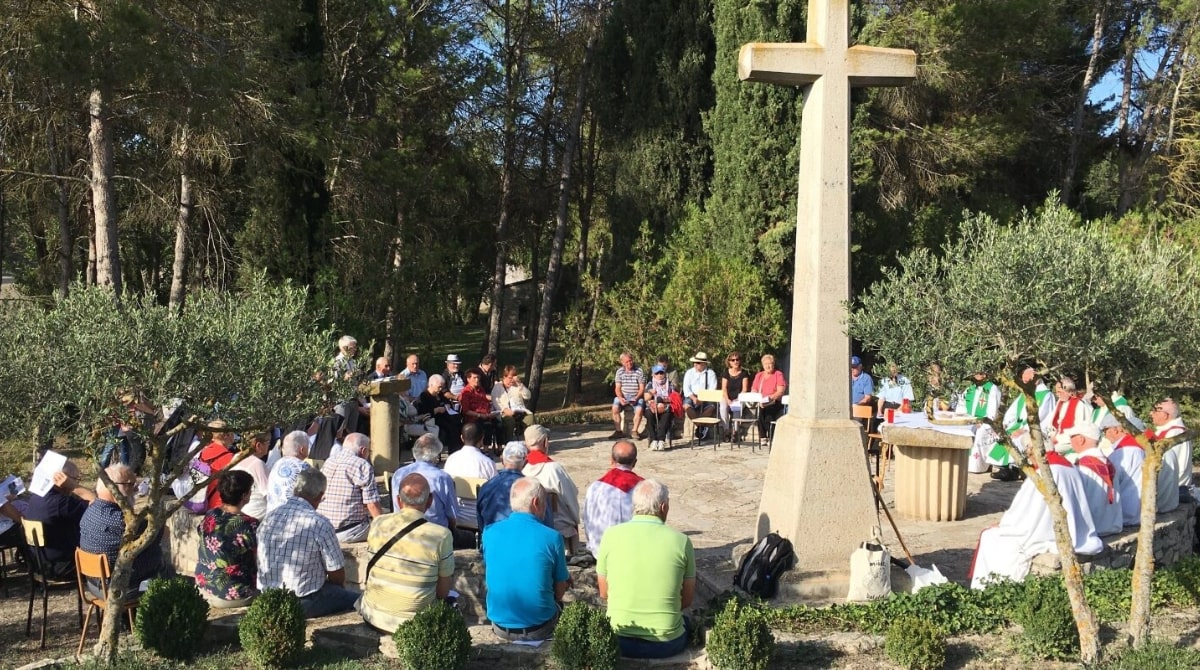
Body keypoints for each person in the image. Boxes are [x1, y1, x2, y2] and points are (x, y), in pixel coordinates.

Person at [969, 439, 1103, 589]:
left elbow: (1024, 509)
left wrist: (1004, 525)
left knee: (991, 537)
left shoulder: (1043, 473)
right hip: (1075, 529)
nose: (1029, 458)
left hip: (1046, 531)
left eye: (1029, 453)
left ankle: (991, 588)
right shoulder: (1070, 467)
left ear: (1035, 452)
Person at [597, 479, 695, 659]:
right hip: (665, 642)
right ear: (663, 507)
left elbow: (604, 593)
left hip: (618, 638)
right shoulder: (682, 541)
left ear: (634, 507)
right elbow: (687, 600)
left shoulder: (610, 536)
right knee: (687, 622)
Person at [358, 473, 456, 632]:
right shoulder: (441, 535)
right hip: (414, 623)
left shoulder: (378, 523)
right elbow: (443, 592)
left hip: (373, 616)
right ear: (430, 501)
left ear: (398, 500)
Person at [257, 469, 357, 617]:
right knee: (360, 601)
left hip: (268, 596)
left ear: (296, 490)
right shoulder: (319, 523)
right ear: (320, 496)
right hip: (304, 600)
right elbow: (336, 573)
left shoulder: (269, 517)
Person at [482, 478, 569, 642]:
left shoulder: (490, 532)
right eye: (545, 503)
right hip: (539, 627)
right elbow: (559, 591)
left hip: (499, 625)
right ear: (536, 503)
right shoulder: (552, 537)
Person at [80, 463, 169, 590]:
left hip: (94, 583)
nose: (136, 489)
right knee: (172, 574)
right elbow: (163, 532)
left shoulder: (90, 509)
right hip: (122, 586)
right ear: (113, 487)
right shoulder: (123, 522)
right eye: (131, 484)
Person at [195, 471, 259, 608]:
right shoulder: (249, 525)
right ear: (244, 495)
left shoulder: (211, 514)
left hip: (204, 586)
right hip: (232, 594)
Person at [23, 460, 95, 579]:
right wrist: (75, 487)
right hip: (63, 566)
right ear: (64, 479)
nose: (76, 482)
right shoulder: (61, 502)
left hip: (40, 563)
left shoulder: (36, 497)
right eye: (75, 479)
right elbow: (99, 506)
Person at [989, 365, 1055, 481]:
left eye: (1027, 379)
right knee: (1000, 434)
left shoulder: (1046, 395)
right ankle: (1004, 467)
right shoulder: (1025, 393)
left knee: (1017, 439)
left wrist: (1024, 429)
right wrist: (1004, 424)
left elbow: (1042, 416)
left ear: (1035, 378)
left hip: (1033, 429)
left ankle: (1014, 470)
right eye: (1024, 380)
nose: (1024, 382)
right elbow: (1012, 412)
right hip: (1017, 426)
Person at [522, 425, 581, 553]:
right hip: (558, 529)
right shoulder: (554, 469)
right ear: (545, 442)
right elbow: (570, 498)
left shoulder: (522, 470)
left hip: (532, 527)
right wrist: (576, 519)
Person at [317, 433, 383, 542]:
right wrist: (384, 528)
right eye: (369, 451)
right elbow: (372, 504)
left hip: (324, 528)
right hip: (349, 531)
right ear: (363, 450)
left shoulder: (329, 461)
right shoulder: (362, 465)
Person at [583, 441, 643, 557]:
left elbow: (586, 519)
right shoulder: (643, 489)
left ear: (611, 460)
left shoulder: (594, 487)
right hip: (629, 554)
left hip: (599, 551)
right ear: (635, 462)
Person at [1067, 422, 1124, 535]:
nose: (1070, 441)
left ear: (1081, 439)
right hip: (1112, 525)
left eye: (1072, 437)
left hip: (1093, 528)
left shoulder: (1082, 466)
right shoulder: (1109, 463)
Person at [392, 434, 457, 530]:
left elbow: (396, 508)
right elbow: (452, 516)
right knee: (469, 537)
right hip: (435, 532)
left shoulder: (398, 474)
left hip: (402, 527)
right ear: (435, 454)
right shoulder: (442, 478)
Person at [443, 423, 498, 529]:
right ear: (482, 439)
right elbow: (494, 494)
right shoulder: (488, 463)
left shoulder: (451, 460)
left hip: (455, 517)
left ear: (461, 438)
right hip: (480, 519)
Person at [477, 442, 529, 529]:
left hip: (492, 539)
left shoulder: (486, 486)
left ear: (502, 460)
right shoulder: (532, 489)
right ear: (526, 463)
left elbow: (481, 522)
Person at [960, 371, 1002, 474]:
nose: (978, 374)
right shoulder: (969, 389)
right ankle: (961, 462)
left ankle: (977, 466)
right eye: (976, 372)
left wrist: (981, 421)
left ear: (986, 374)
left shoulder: (992, 389)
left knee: (980, 431)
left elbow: (993, 412)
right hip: (969, 421)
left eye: (981, 372)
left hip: (986, 423)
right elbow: (961, 407)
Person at [1150, 397, 1192, 494]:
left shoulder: (1174, 434)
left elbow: (1169, 465)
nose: (1151, 414)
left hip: (1175, 489)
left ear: (1165, 415)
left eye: (1155, 411)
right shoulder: (1171, 431)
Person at [194, 420, 238, 511]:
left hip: (204, 501)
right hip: (221, 505)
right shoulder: (230, 458)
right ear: (226, 435)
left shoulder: (202, 452)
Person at [265, 430, 312, 514]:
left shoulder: (276, 464)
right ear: (302, 449)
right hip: (294, 519)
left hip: (272, 517)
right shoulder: (303, 467)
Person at [417, 374, 462, 451]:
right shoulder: (424, 396)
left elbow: (446, 402)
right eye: (439, 387)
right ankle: (453, 450)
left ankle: (458, 448)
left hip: (444, 416)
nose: (440, 389)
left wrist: (447, 405)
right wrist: (436, 410)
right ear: (431, 385)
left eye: (441, 387)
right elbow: (424, 411)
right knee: (450, 427)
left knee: (458, 422)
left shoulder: (439, 394)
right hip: (433, 419)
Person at [231, 431, 271, 519]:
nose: (269, 446)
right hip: (254, 515)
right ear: (258, 445)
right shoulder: (258, 464)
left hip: (237, 510)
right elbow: (268, 494)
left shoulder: (236, 457)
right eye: (268, 442)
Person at [459, 367, 500, 450]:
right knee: (487, 425)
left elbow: (485, 400)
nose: (477, 380)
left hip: (486, 414)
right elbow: (466, 411)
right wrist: (480, 415)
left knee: (499, 424)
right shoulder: (465, 393)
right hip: (474, 418)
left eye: (478, 377)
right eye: (474, 378)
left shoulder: (480, 389)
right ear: (468, 379)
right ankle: (485, 448)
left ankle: (499, 447)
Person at [751, 355, 787, 446]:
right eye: (766, 364)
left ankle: (772, 437)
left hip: (774, 401)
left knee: (768, 414)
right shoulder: (759, 375)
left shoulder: (778, 374)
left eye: (770, 364)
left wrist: (770, 398)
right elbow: (754, 389)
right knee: (760, 411)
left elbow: (780, 391)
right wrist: (757, 398)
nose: (768, 366)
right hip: (761, 401)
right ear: (763, 365)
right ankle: (763, 437)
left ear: (773, 364)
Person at [682, 352, 719, 438]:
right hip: (692, 396)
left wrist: (702, 398)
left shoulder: (710, 373)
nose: (695, 364)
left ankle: (699, 426)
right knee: (687, 406)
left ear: (704, 363)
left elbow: (712, 389)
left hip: (706, 396)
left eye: (698, 362)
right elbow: (686, 389)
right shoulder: (689, 373)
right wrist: (694, 398)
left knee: (711, 407)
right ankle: (700, 426)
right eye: (695, 362)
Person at [610, 352, 646, 439]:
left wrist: (636, 398)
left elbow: (642, 388)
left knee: (640, 408)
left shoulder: (639, 371)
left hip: (636, 396)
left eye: (630, 361)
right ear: (622, 362)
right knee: (615, 407)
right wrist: (620, 398)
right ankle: (618, 431)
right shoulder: (619, 372)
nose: (629, 363)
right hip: (624, 396)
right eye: (626, 362)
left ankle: (634, 430)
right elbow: (617, 388)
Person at [493, 365, 532, 444]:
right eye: (510, 378)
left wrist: (520, 384)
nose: (512, 380)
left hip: (519, 411)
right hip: (504, 412)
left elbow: (528, 396)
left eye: (514, 378)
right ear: (504, 377)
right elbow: (495, 401)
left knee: (530, 418)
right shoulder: (498, 386)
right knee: (509, 421)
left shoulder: (517, 386)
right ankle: (509, 443)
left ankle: (531, 442)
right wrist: (504, 410)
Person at [1048, 376, 1088, 450]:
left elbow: (1078, 429)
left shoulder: (1080, 404)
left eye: (1059, 392)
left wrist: (1058, 439)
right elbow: (1053, 425)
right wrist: (1051, 436)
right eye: (1056, 392)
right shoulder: (1060, 402)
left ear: (1069, 391)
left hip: (1069, 442)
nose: (1057, 394)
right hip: (1056, 438)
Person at [643, 365, 676, 451]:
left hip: (665, 407)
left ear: (665, 373)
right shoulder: (650, 384)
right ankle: (654, 440)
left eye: (661, 372)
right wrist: (651, 394)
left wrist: (662, 402)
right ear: (653, 375)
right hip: (652, 407)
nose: (660, 375)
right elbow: (645, 398)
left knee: (667, 414)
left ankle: (661, 440)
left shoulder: (669, 384)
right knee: (649, 414)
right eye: (657, 373)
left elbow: (673, 398)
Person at [719, 352, 751, 434]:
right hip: (727, 397)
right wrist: (728, 400)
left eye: (737, 359)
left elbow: (744, 389)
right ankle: (726, 430)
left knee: (736, 408)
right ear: (729, 362)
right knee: (723, 407)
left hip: (739, 398)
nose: (735, 362)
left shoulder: (744, 373)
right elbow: (724, 389)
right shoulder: (726, 373)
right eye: (733, 360)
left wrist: (737, 400)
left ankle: (735, 432)